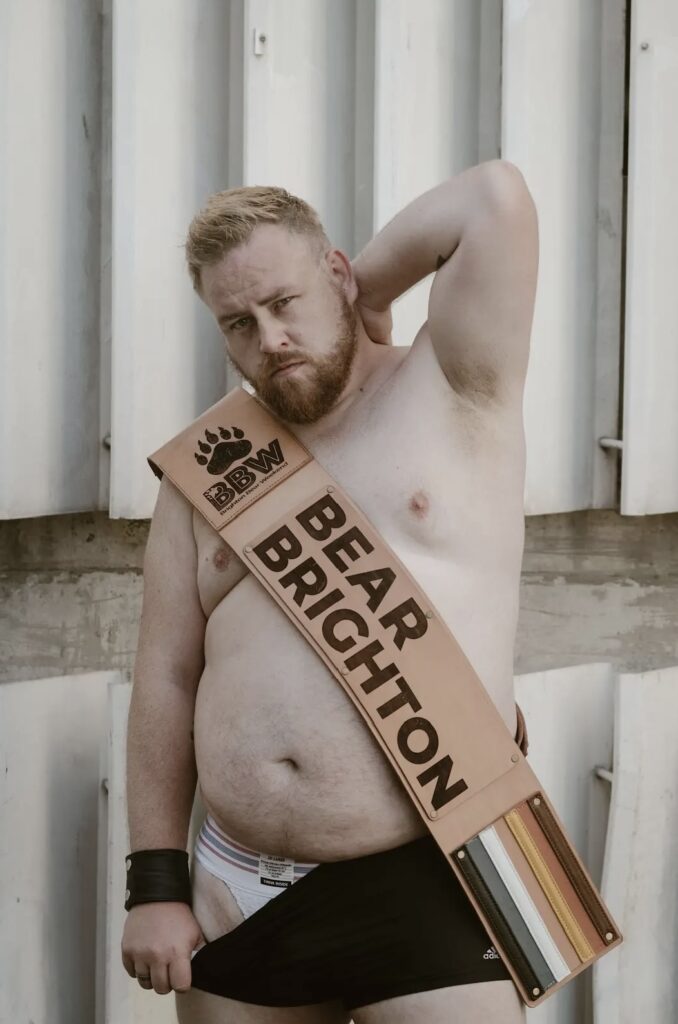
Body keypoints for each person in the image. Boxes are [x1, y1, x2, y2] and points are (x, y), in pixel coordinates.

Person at [121, 160, 538, 1024]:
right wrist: (154, 882)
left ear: (338, 273)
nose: (270, 339)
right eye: (239, 323)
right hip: (239, 885)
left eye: (287, 302)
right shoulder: (211, 467)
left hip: (437, 865)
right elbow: (166, 675)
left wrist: (367, 297)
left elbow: (494, 197)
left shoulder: (453, 386)